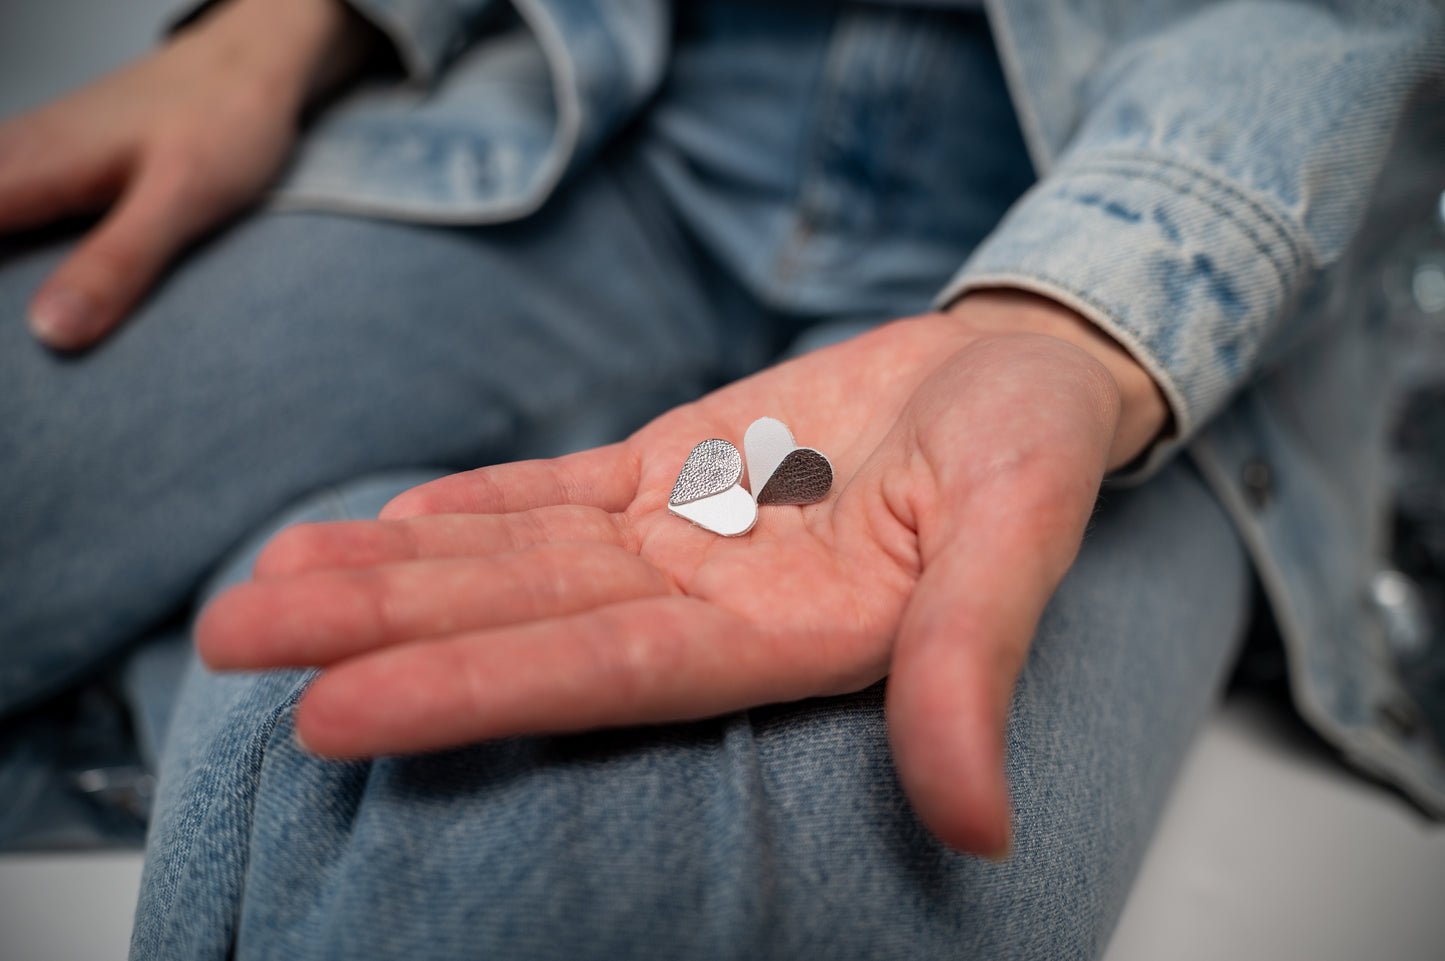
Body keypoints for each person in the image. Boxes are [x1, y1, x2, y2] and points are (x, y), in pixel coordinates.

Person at [1, 0, 1441, 956]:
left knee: (525, 858)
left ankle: (199, 632)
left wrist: (1073, 316)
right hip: (595, 122)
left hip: (1132, 215)